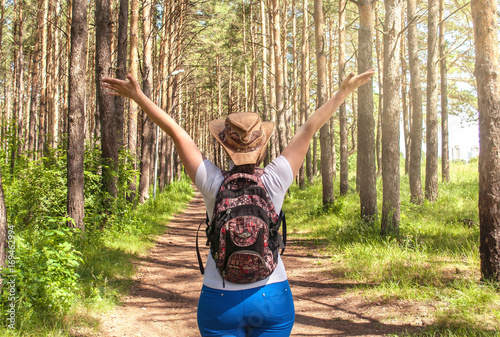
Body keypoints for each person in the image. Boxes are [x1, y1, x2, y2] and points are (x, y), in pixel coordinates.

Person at [102, 68, 374, 337]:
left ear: (224, 144)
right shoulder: (276, 178)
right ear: (262, 144)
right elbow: (309, 128)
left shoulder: (212, 181)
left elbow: (177, 132)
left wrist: (138, 97)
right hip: (272, 295)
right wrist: (342, 92)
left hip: (218, 300)